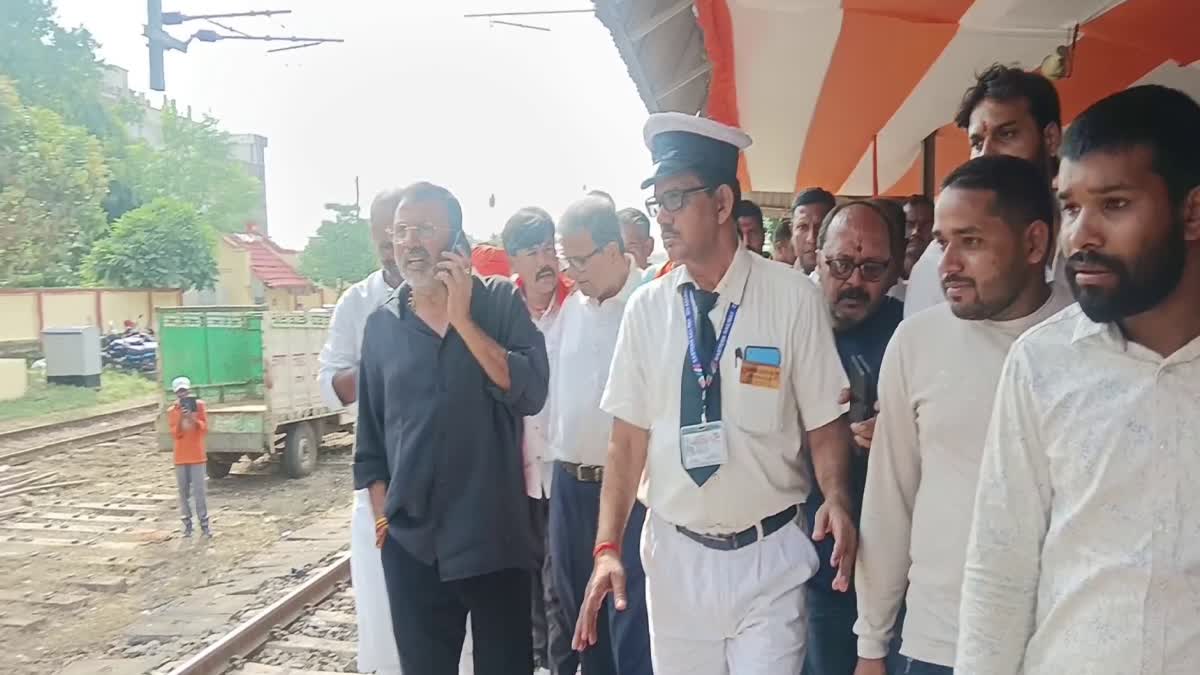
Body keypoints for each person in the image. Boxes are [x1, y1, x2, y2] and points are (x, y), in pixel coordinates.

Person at [574, 112, 858, 674]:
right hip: (677, 558)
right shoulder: (648, 310)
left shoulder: (792, 299)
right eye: (658, 203)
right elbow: (626, 443)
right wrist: (607, 548)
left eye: (677, 200)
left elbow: (825, 423)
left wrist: (838, 499)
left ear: (724, 204)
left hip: (769, 557)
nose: (664, 219)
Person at [956, 85, 1200, 675]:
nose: (1080, 236)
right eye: (1069, 207)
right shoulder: (1043, 363)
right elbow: (1000, 567)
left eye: (1114, 205)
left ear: (1192, 212)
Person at [852, 155, 1071, 675]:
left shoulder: (1089, 342)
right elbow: (891, 497)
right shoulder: (917, 341)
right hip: (936, 642)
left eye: (970, 242)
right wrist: (870, 642)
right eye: (941, 241)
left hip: (1057, 645)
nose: (947, 265)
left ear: (1035, 243)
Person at [355, 181, 550, 675]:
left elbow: (530, 391)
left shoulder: (500, 304)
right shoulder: (382, 326)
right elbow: (371, 443)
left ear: (455, 240)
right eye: (401, 232)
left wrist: (462, 320)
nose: (409, 243)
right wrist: (385, 525)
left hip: (494, 542)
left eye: (424, 229)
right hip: (414, 551)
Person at [549, 195, 653, 675]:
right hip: (570, 489)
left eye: (580, 259)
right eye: (566, 259)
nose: (571, 272)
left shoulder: (650, 303)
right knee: (578, 620)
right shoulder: (572, 311)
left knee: (627, 617)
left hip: (630, 494)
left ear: (614, 250)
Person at [802, 201, 904, 675]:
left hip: (893, 566)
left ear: (894, 270)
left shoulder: (912, 335)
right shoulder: (790, 325)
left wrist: (902, 433)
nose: (854, 282)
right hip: (804, 558)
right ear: (816, 256)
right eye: (841, 265)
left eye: (871, 268)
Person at [318, 188, 407, 675]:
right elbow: (330, 386)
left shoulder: (458, 294)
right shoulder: (358, 303)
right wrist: (376, 362)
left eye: (397, 231)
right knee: (382, 607)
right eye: (382, 235)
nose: (390, 245)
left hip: (445, 480)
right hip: (378, 482)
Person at [905, 64, 1062, 318]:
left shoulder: (1084, 239)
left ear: (1050, 139)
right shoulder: (938, 263)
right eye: (977, 143)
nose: (986, 154)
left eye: (1007, 134)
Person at [500, 205, 577, 675]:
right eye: (533, 251)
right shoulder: (499, 310)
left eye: (550, 247)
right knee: (523, 579)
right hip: (516, 471)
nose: (546, 259)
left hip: (566, 469)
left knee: (559, 586)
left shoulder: (579, 306)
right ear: (515, 261)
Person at [168, 376, 210, 538]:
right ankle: (187, 526)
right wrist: (182, 417)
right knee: (183, 493)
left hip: (197, 457)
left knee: (200, 493)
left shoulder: (199, 406)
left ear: (189, 390)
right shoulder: (172, 411)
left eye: (184, 390)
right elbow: (176, 434)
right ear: (176, 393)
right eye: (180, 392)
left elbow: (204, 429)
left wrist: (193, 418)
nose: (183, 394)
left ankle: (205, 525)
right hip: (180, 458)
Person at [792, 187, 837, 275]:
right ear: (791, 233)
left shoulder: (850, 283)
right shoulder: (778, 284)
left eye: (820, 227)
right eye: (802, 227)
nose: (811, 238)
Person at [901, 194, 934, 280]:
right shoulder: (884, 275)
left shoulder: (943, 273)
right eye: (909, 224)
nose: (916, 232)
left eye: (925, 225)